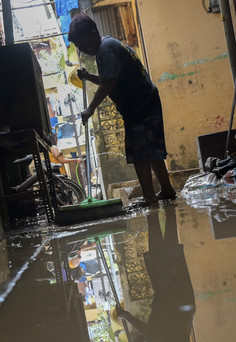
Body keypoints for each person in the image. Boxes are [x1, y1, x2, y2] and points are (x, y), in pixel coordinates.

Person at [68, 14, 177, 206]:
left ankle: (149, 196)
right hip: (145, 101)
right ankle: (167, 190)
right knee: (151, 150)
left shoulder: (105, 50)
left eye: (83, 44)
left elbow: (109, 82)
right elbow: (109, 78)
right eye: (79, 47)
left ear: (94, 34)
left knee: (139, 152)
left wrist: (90, 108)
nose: (83, 50)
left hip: (140, 105)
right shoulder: (108, 45)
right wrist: (88, 76)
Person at [115, 205, 195, 342]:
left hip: (176, 300)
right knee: (162, 256)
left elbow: (157, 335)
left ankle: (166, 209)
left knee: (166, 254)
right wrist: (126, 316)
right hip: (175, 298)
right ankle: (157, 208)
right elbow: (154, 333)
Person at [13, 145, 82, 193]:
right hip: (56, 173)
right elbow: (62, 160)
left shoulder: (46, 149)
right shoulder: (54, 148)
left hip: (50, 173)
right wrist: (76, 160)